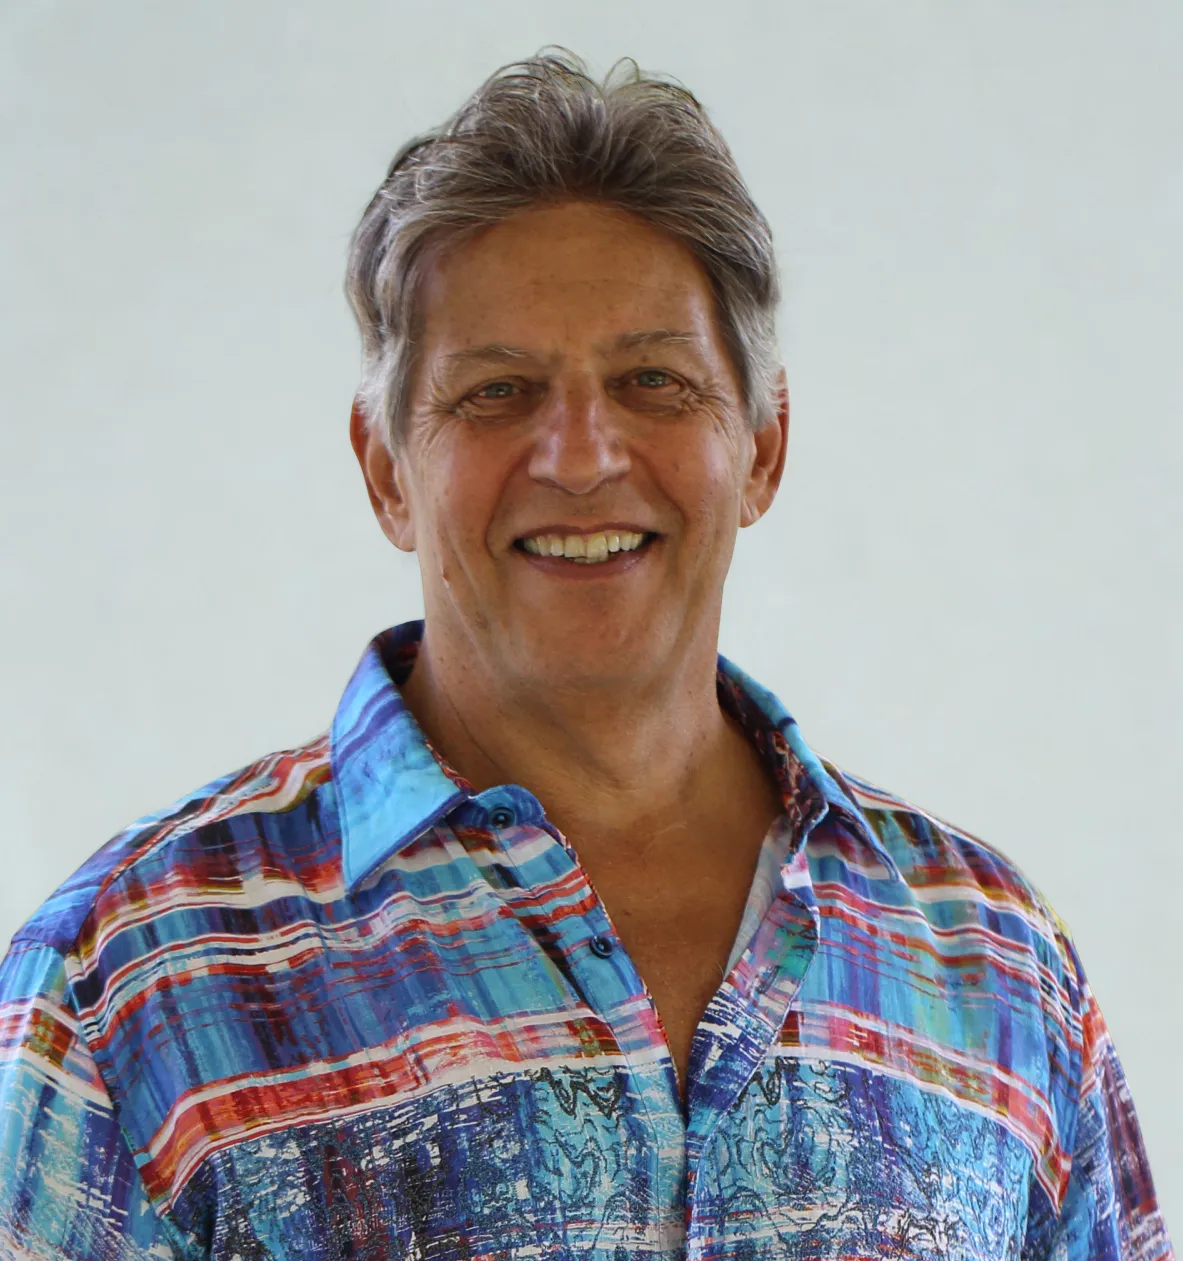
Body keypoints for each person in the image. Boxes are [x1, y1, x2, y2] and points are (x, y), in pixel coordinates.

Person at [0, 49, 1171, 1261]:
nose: (578, 454)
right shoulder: (132, 981)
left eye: (653, 380)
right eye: (497, 392)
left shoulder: (991, 964)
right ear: (385, 468)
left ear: (763, 449)